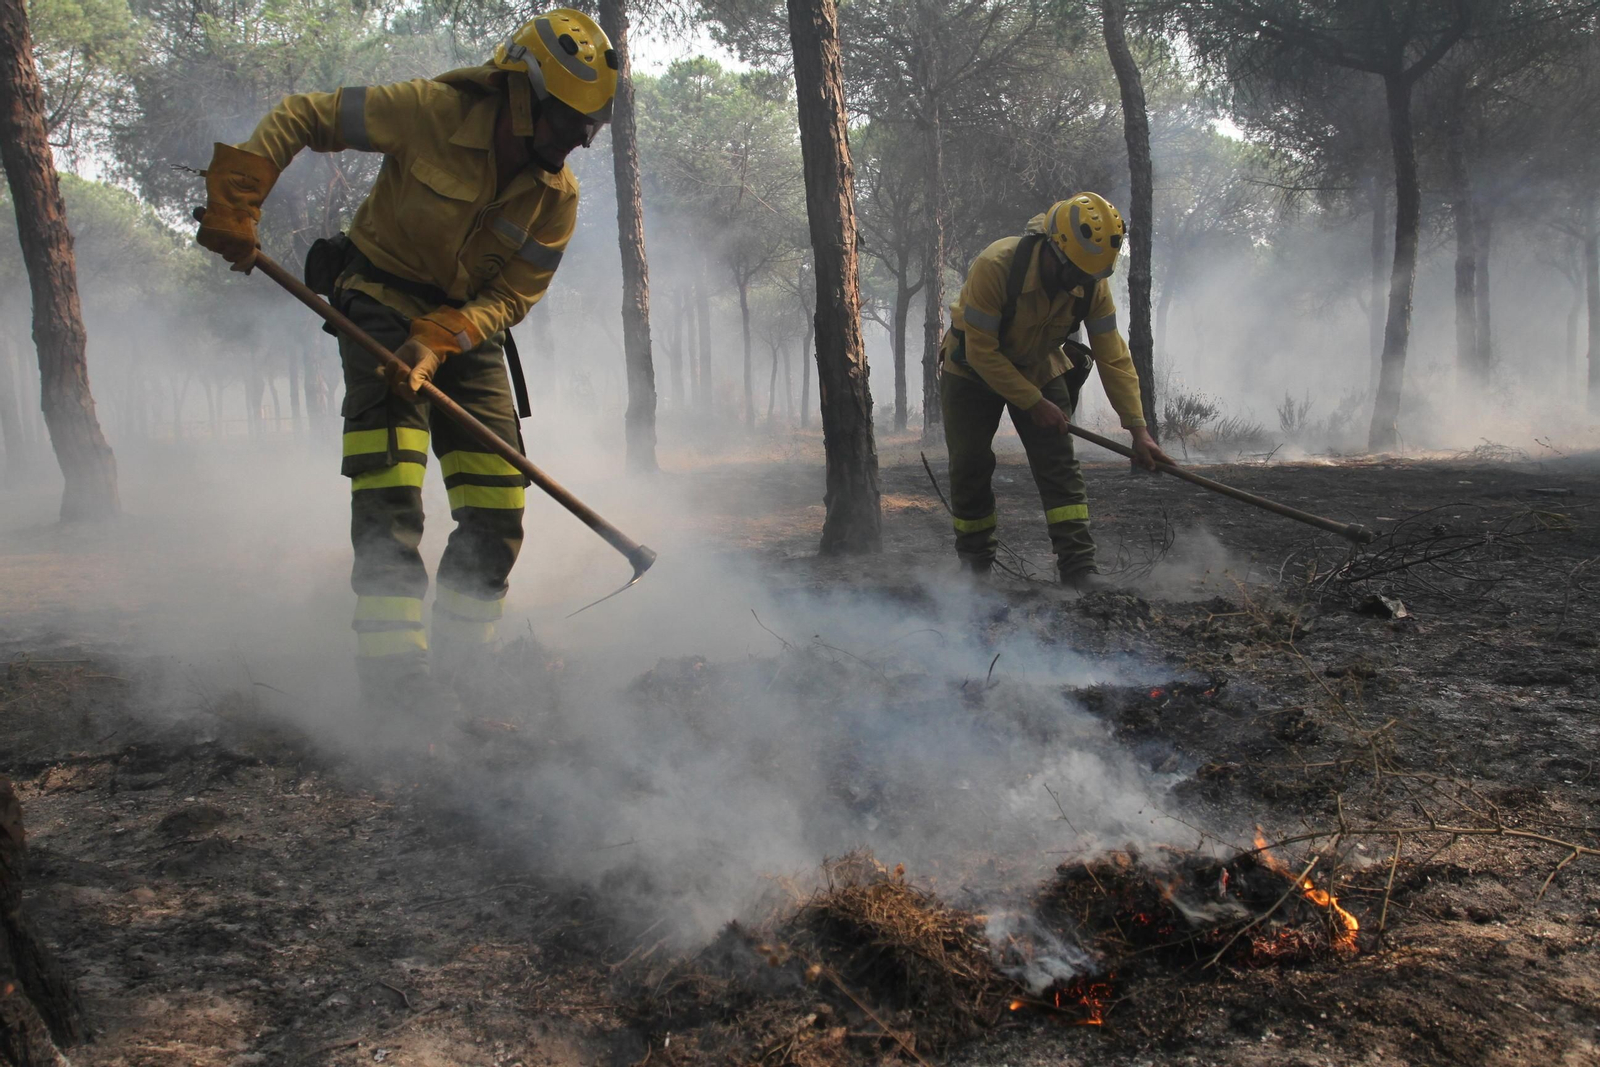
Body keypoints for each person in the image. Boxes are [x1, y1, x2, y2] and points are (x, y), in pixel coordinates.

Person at [195, 10, 617, 707]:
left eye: (586, 131)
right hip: (376, 304)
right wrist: (240, 196)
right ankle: (398, 695)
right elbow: (308, 115)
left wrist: (444, 337)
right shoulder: (429, 112)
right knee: (392, 491)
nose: (575, 143)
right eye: (567, 124)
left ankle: (462, 677)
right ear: (522, 93)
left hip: (462, 332)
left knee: (497, 504)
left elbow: (512, 296)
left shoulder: (557, 199)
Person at [939, 193, 1176, 589]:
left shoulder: (1090, 282)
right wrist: (1033, 403)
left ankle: (1078, 568)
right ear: (1052, 248)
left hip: (1039, 364)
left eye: (1089, 278)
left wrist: (1138, 431)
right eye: (1075, 275)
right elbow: (982, 351)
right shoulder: (996, 267)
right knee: (970, 463)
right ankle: (975, 568)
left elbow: (1113, 357)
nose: (1080, 286)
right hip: (971, 371)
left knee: (1059, 466)